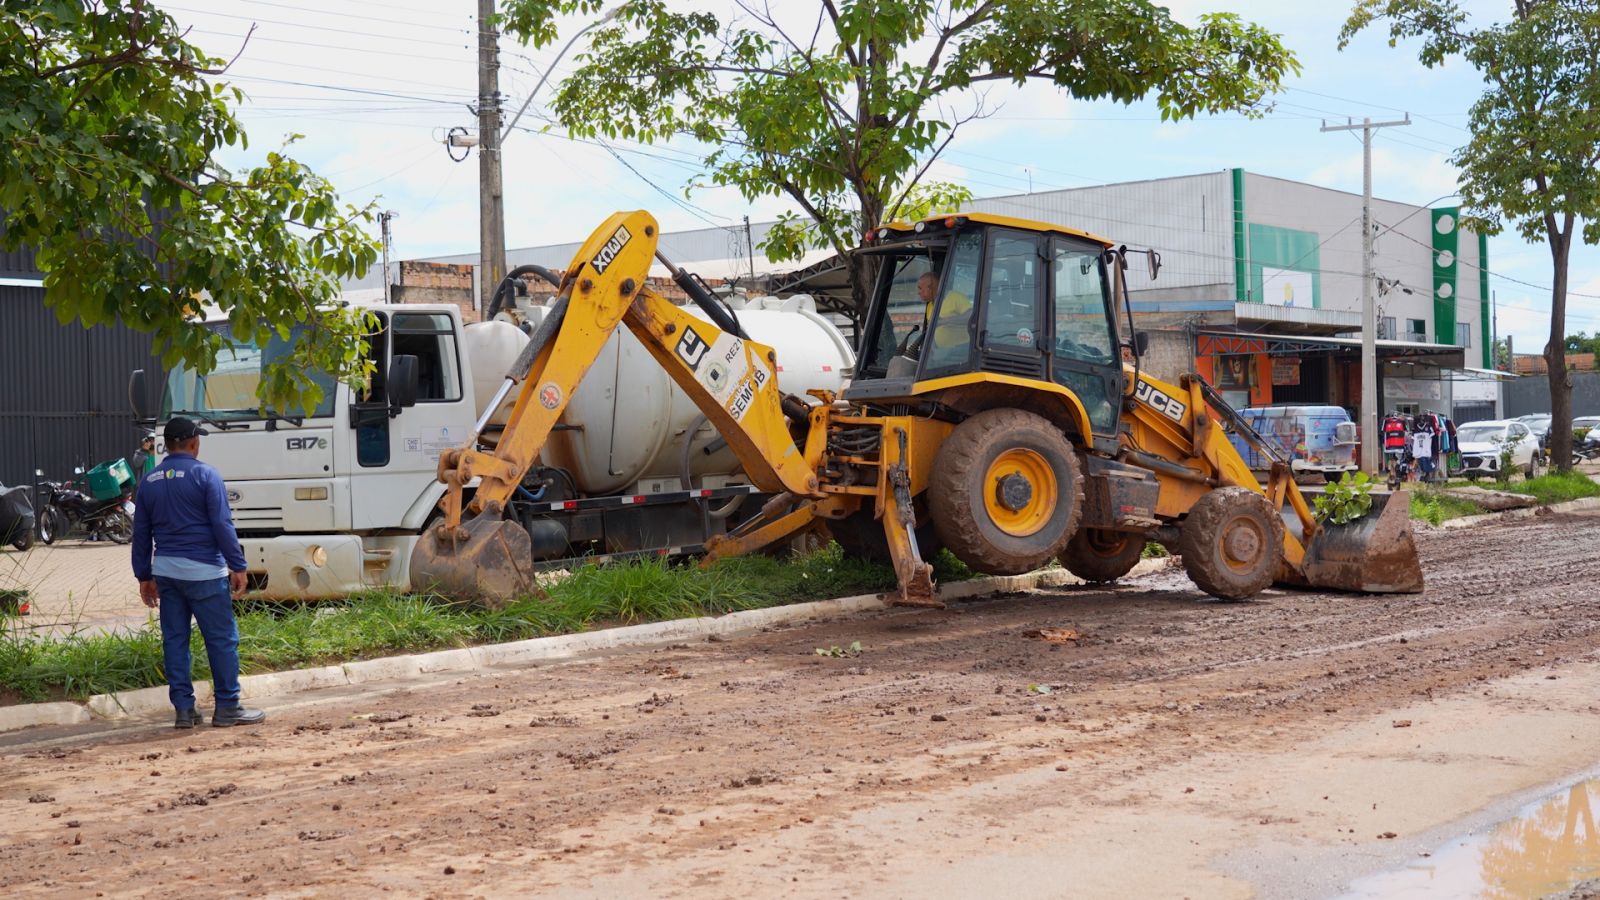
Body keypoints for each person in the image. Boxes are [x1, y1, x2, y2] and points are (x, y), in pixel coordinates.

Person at [131, 416, 265, 729]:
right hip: (206, 573)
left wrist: (144, 577)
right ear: (194, 443)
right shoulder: (206, 475)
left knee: (175, 640)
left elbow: (141, 534)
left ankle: (184, 711)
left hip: (167, 574)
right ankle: (228, 706)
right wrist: (238, 565)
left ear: (167, 445)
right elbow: (222, 524)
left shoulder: (148, 481)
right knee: (221, 640)